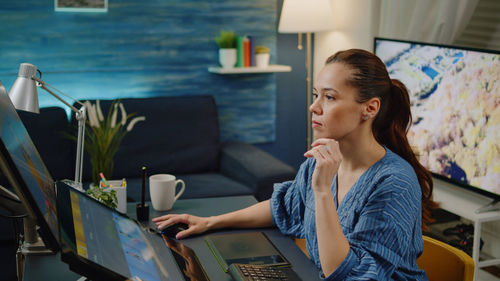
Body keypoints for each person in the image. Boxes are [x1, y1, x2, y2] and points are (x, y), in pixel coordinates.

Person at [153, 49, 437, 280]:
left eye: (330, 97)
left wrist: (323, 191)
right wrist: (211, 222)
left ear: (370, 108)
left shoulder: (393, 183)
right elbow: (284, 205)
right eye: (316, 95)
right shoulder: (322, 163)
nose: (314, 107)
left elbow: (344, 272)